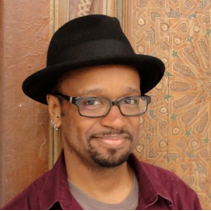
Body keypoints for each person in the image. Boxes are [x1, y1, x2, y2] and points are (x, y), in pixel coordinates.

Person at [2, 15, 202, 210]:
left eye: (129, 100)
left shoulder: (179, 199)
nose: (116, 121)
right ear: (56, 110)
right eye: (92, 102)